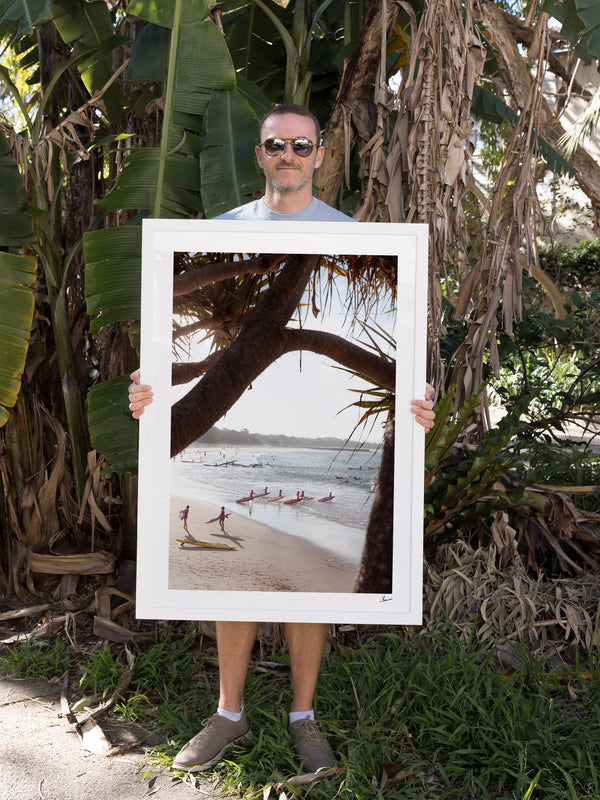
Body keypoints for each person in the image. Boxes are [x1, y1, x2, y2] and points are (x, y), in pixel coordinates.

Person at [128, 104, 436, 775]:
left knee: (309, 598)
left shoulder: (353, 237)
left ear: (320, 155)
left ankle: (303, 717)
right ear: (260, 154)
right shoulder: (222, 233)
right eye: (276, 145)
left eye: (301, 145)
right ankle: (228, 714)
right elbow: (163, 347)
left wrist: (415, 406)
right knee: (237, 591)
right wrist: (147, 394)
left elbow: (408, 349)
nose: (288, 156)